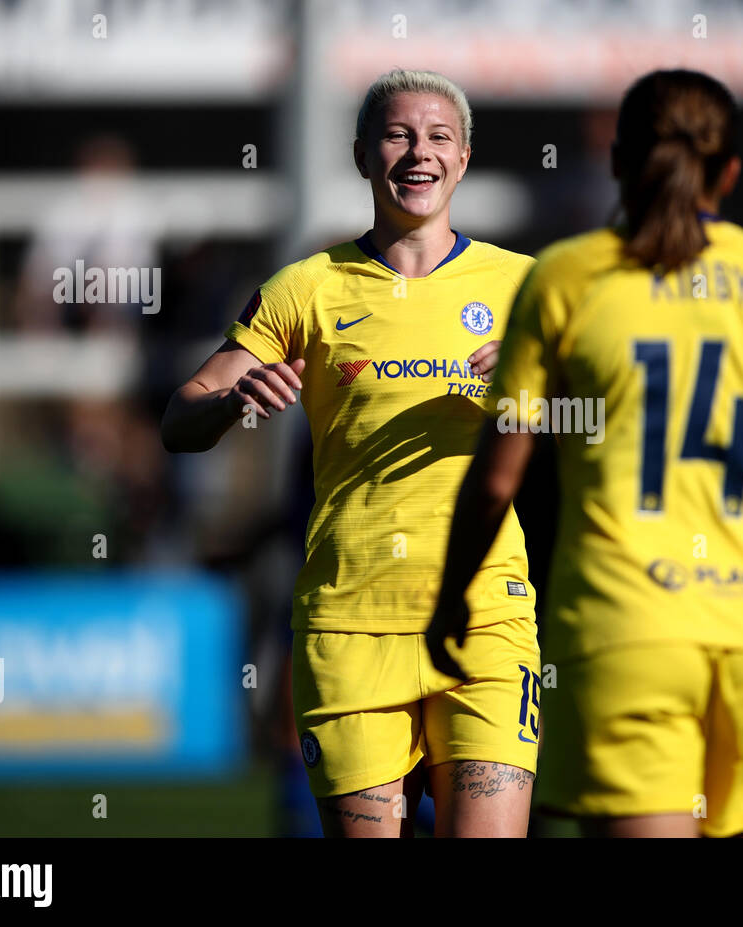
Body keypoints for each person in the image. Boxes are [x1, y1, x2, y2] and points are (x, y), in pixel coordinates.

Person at [427, 69, 743, 838]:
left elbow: (497, 479)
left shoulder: (567, 280)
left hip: (625, 630)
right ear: (730, 171)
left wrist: (450, 598)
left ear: (621, 163)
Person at [162, 69, 540, 837]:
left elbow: (600, 424)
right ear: (364, 154)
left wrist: (536, 385)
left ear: (463, 159)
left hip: (486, 618)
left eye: (438, 137)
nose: (418, 153)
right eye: (398, 135)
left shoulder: (526, 287)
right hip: (348, 623)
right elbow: (180, 416)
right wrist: (236, 402)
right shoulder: (307, 287)